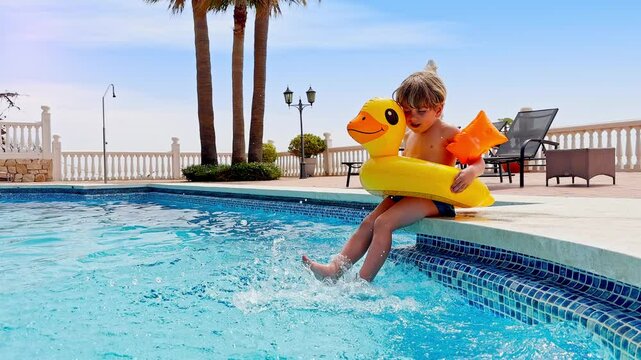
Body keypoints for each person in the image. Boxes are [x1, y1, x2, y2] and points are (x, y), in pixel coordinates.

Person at [302, 66, 486, 282]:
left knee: (384, 223)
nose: (413, 117)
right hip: (408, 194)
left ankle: (363, 280)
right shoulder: (408, 135)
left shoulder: (448, 132)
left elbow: (478, 160)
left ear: (438, 108)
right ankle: (334, 270)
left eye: (421, 111)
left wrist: (471, 172)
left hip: (436, 199)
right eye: (407, 111)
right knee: (368, 222)